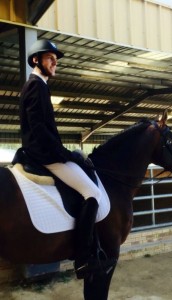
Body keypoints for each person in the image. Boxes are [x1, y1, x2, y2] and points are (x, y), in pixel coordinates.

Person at [15, 39, 112, 279]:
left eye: (56, 60)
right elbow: (39, 130)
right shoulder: (36, 86)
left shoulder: (39, 85)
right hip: (45, 155)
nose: (54, 63)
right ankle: (82, 259)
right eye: (50, 58)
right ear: (36, 60)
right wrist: (68, 155)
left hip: (45, 151)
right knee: (92, 193)